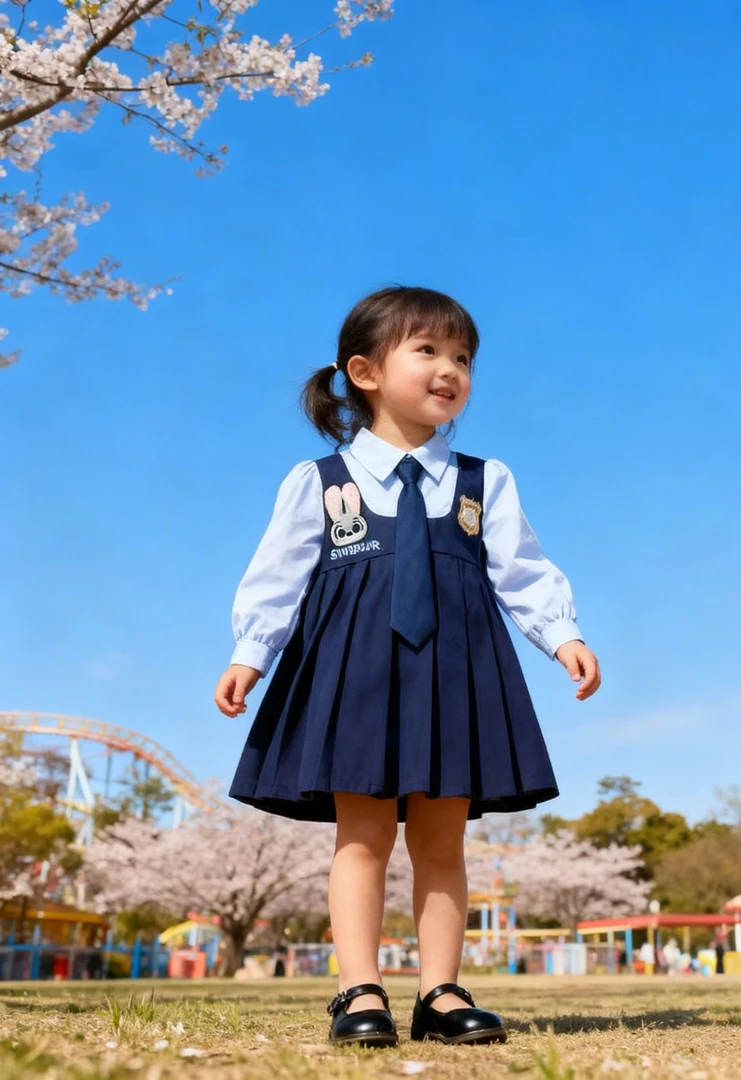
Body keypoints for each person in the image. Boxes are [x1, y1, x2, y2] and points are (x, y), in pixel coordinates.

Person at [214, 287, 601, 1049]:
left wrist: (562, 635)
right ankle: (359, 991)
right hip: (353, 674)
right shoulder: (320, 484)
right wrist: (249, 653)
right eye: (427, 351)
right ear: (363, 371)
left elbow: (522, 571)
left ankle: (441, 992)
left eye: (463, 357)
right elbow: (276, 576)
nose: (450, 369)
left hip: (457, 673)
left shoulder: (484, 482)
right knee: (360, 838)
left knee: (441, 841)